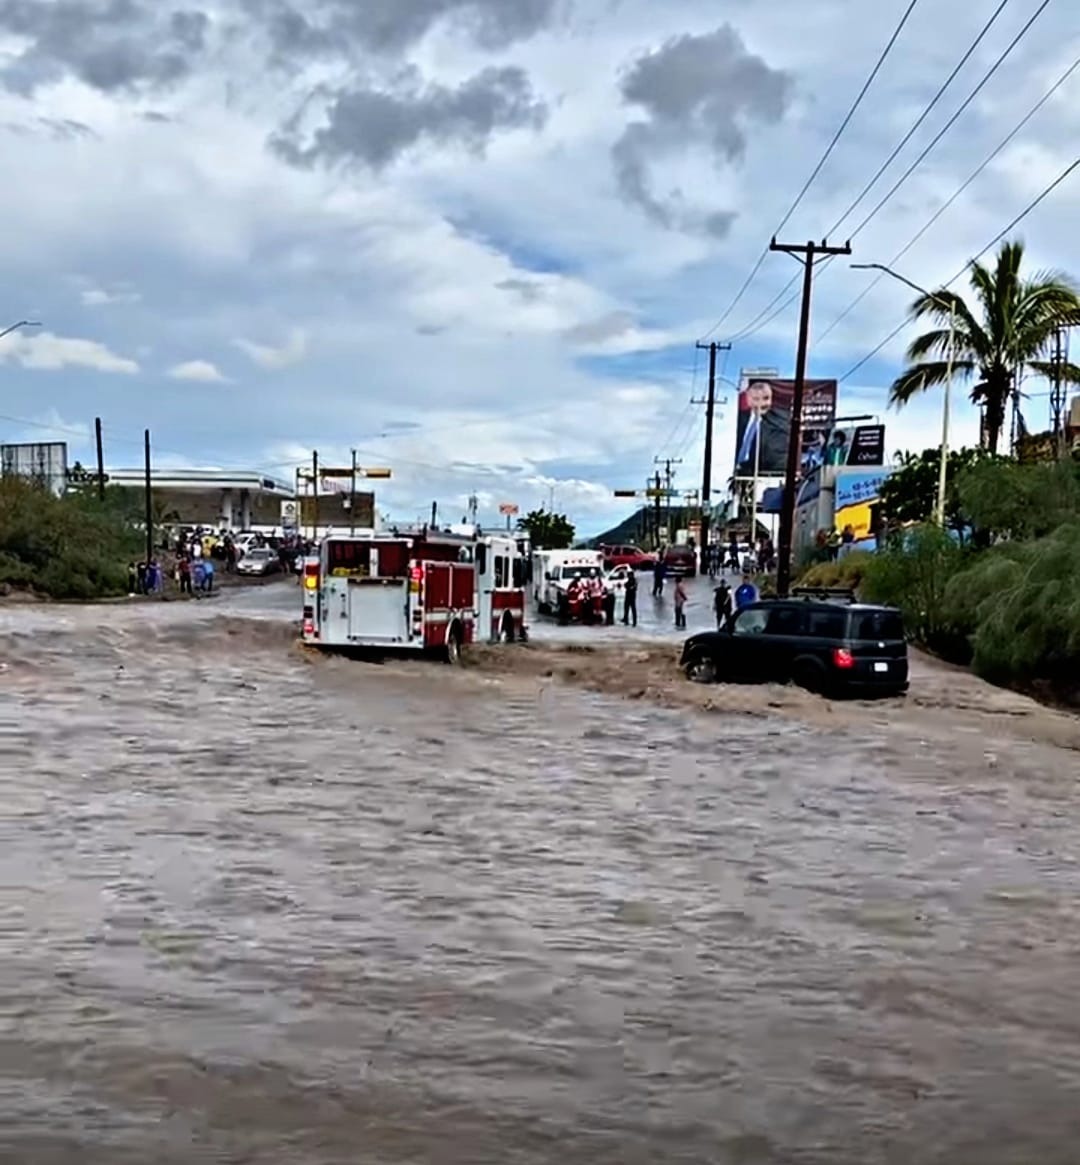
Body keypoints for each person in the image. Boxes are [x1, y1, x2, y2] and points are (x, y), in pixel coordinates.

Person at [735, 380, 792, 477]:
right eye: (756, 399)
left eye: (766, 398)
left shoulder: (780, 423)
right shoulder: (738, 417)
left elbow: (778, 461)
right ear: (748, 398)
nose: (761, 403)